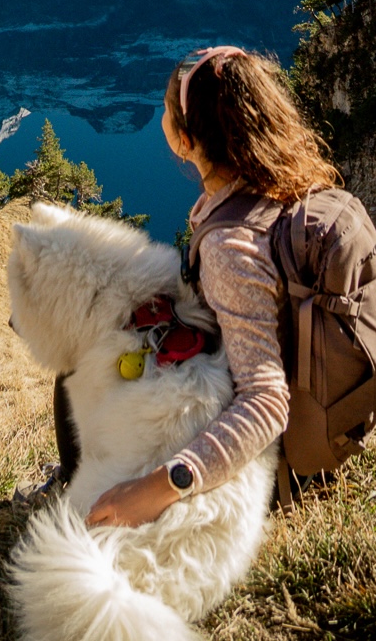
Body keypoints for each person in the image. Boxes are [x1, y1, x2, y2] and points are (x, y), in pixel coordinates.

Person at [84, 44, 341, 529]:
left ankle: (86, 487)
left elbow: (265, 402)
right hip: (326, 395)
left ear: (185, 140)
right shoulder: (283, 181)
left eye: (166, 113)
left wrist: (162, 485)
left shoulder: (229, 245)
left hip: (273, 454)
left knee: (96, 354)